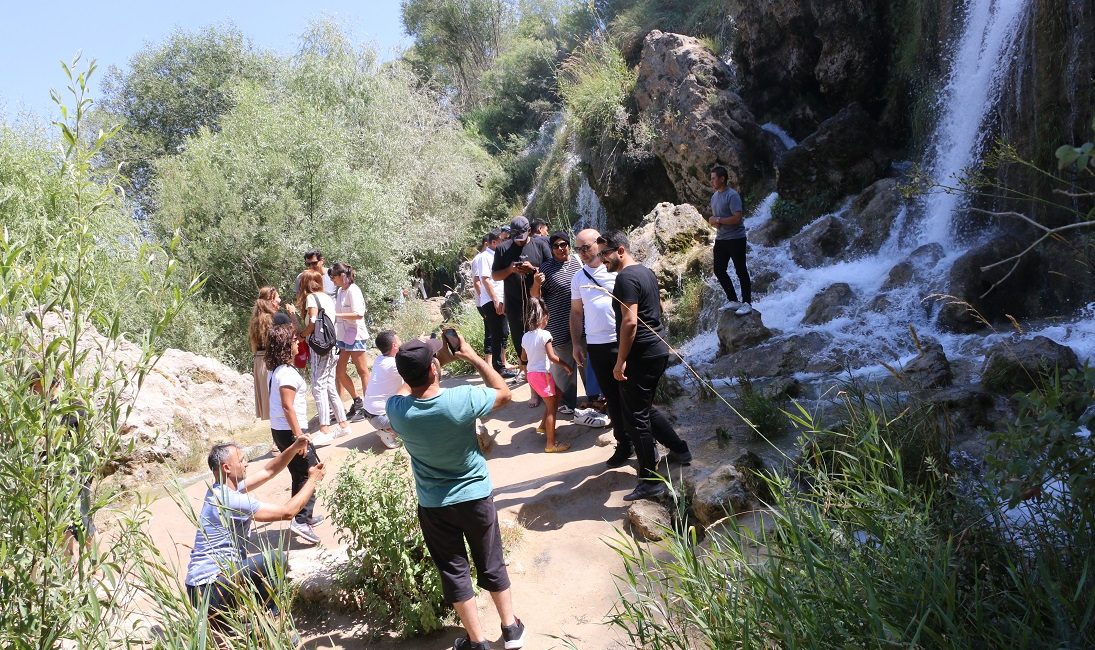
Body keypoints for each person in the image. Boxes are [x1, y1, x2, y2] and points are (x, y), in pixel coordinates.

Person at [386, 336, 525, 650]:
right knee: (491, 561)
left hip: (435, 505)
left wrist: (423, 370)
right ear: (434, 368)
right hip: (475, 495)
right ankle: (511, 628)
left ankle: (477, 642)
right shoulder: (461, 399)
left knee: (454, 570)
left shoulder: (396, 410)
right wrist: (474, 357)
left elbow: (406, 388)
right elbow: (504, 394)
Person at [184, 438, 324, 631]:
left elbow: (268, 471)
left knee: (261, 567)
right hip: (211, 587)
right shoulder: (230, 500)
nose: (246, 463)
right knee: (275, 559)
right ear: (226, 468)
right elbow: (288, 512)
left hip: (200, 589)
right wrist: (313, 480)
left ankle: (253, 624)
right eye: (241, 460)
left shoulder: (220, 490)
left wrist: (293, 447)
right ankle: (270, 624)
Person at [599, 230, 692, 501]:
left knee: (634, 418)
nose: (601, 259)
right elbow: (657, 309)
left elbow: (630, 322)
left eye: (605, 253)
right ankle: (680, 449)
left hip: (642, 354)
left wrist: (620, 361)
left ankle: (650, 480)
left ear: (620, 251)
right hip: (656, 350)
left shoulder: (626, 278)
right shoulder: (646, 272)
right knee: (642, 409)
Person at [265, 325, 325, 544]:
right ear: (284, 345)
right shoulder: (287, 374)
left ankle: (304, 516)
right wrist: (300, 436)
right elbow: (287, 406)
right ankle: (300, 520)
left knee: (299, 473)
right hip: (291, 431)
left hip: (281, 430)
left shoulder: (276, 371)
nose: (297, 342)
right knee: (312, 471)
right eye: (293, 339)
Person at [491, 216, 552, 405]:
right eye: (516, 236)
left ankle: (550, 387)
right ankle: (534, 391)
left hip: (538, 302)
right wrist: (510, 269)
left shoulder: (540, 244)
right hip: (515, 305)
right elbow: (495, 275)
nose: (519, 239)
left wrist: (532, 269)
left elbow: (550, 270)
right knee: (522, 348)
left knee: (545, 343)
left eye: (523, 236)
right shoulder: (503, 248)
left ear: (529, 231)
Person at [295, 269, 350, 443]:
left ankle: (324, 429)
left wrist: (303, 335)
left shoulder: (312, 298)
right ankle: (343, 425)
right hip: (332, 345)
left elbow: (312, 321)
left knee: (317, 386)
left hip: (320, 348)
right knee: (329, 385)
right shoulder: (326, 297)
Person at [531, 232, 581, 415]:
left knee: (586, 363)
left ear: (569, 245)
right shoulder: (546, 268)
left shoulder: (578, 262)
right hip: (558, 324)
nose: (561, 248)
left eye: (564, 244)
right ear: (551, 249)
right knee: (563, 366)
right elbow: (535, 296)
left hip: (581, 323)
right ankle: (568, 402)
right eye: (556, 246)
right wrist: (536, 283)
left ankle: (594, 399)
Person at [521, 299, 573, 453]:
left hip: (532, 375)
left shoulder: (525, 336)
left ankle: (544, 426)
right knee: (551, 408)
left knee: (556, 395)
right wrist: (566, 365)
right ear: (543, 317)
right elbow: (552, 357)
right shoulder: (545, 334)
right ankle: (550, 444)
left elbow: (523, 357)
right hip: (543, 375)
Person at [709, 165, 753, 316]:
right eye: (711, 178)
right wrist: (713, 221)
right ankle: (733, 300)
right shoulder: (714, 197)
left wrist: (718, 219)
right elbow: (716, 220)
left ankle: (747, 303)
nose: (712, 181)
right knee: (719, 270)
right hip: (721, 239)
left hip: (736, 238)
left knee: (741, 270)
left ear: (722, 179)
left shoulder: (732, 195)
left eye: (714, 178)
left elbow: (737, 217)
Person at [330, 262, 371, 422]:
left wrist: (337, 316)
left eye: (333, 278)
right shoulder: (340, 291)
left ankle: (369, 407)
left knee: (362, 371)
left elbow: (359, 314)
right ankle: (357, 401)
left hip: (356, 335)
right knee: (339, 371)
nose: (332, 281)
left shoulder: (354, 290)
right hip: (343, 337)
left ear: (341, 276)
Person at [472, 232, 515, 378]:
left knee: (503, 332)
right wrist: (495, 299)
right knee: (497, 333)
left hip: (501, 299)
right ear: (494, 242)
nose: (506, 242)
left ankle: (501, 365)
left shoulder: (498, 256)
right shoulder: (485, 257)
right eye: (503, 240)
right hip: (492, 301)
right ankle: (498, 368)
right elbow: (485, 279)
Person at [358, 330, 407, 450]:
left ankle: (388, 428)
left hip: (371, 414)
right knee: (417, 412)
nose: (401, 342)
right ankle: (388, 432)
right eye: (399, 340)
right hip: (380, 417)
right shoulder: (393, 364)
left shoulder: (380, 359)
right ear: (395, 345)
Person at [248, 286, 283, 420]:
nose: (280, 300)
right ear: (272, 300)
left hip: (259, 362)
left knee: (272, 405)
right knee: (278, 402)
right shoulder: (273, 319)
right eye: (277, 297)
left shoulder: (256, 319)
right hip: (270, 361)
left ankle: (278, 439)